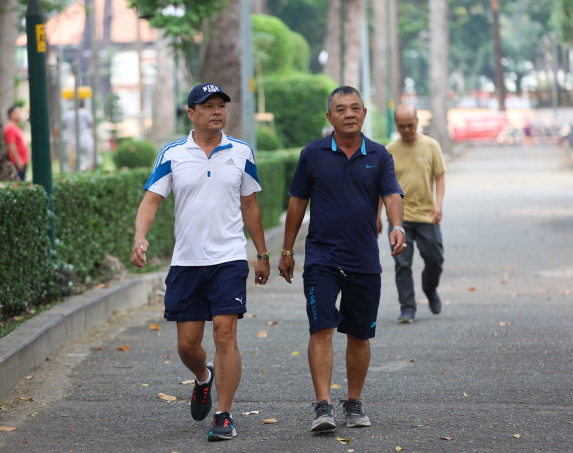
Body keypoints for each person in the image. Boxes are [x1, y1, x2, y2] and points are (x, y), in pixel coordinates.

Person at [131, 83, 270, 442]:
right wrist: (139, 237)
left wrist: (263, 254)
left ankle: (224, 415)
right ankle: (203, 377)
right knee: (187, 345)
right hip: (187, 262)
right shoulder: (173, 154)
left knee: (225, 333)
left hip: (228, 259)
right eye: (207, 105)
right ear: (191, 113)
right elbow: (151, 200)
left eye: (221, 105)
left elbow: (250, 205)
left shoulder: (240, 152)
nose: (216, 110)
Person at [278, 86, 406, 432]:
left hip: (364, 259)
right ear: (329, 117)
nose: (349, 114)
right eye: (341, 109)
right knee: (321, 326)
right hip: (321, 257)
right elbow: (296, 203)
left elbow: (391, 193)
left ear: (364, 113)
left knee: (359, 335)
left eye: (355, 108)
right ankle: (322, 406)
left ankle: (353, 402)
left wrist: (398, 226)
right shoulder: (312, 154)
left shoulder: (379, 155)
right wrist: (287, 250)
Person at [378, 104, 446, 324]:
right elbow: (382, 186)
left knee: (435, 259)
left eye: (410, 125)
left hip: (427, 216)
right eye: (401, 126)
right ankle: (407, 307)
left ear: (417, 121)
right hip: (400, 218)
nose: (406, 130)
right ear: (396, 125)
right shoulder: (389, 150)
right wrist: (376, 216)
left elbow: (439, 177)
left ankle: (430, 288)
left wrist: (438, 204)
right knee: (402, 263)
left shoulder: (431, 146)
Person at [61, 101, 95, 170]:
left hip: (74, 143)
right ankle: (89, 173)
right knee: (93, 161)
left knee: (81, 163)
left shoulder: (67, 114)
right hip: (87, 141)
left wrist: (52, 138)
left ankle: (84, 172)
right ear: (83, 106)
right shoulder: (85, 112)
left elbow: (58, 127)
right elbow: (93, 124)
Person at [4, 105, 30, 181]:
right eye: (17, 112)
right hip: (18, 163)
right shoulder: (10, 128)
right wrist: (18, 161)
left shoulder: (16, 127)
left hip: (22, 161)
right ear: (11, 114)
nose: (20, 114)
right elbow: (11, 144)